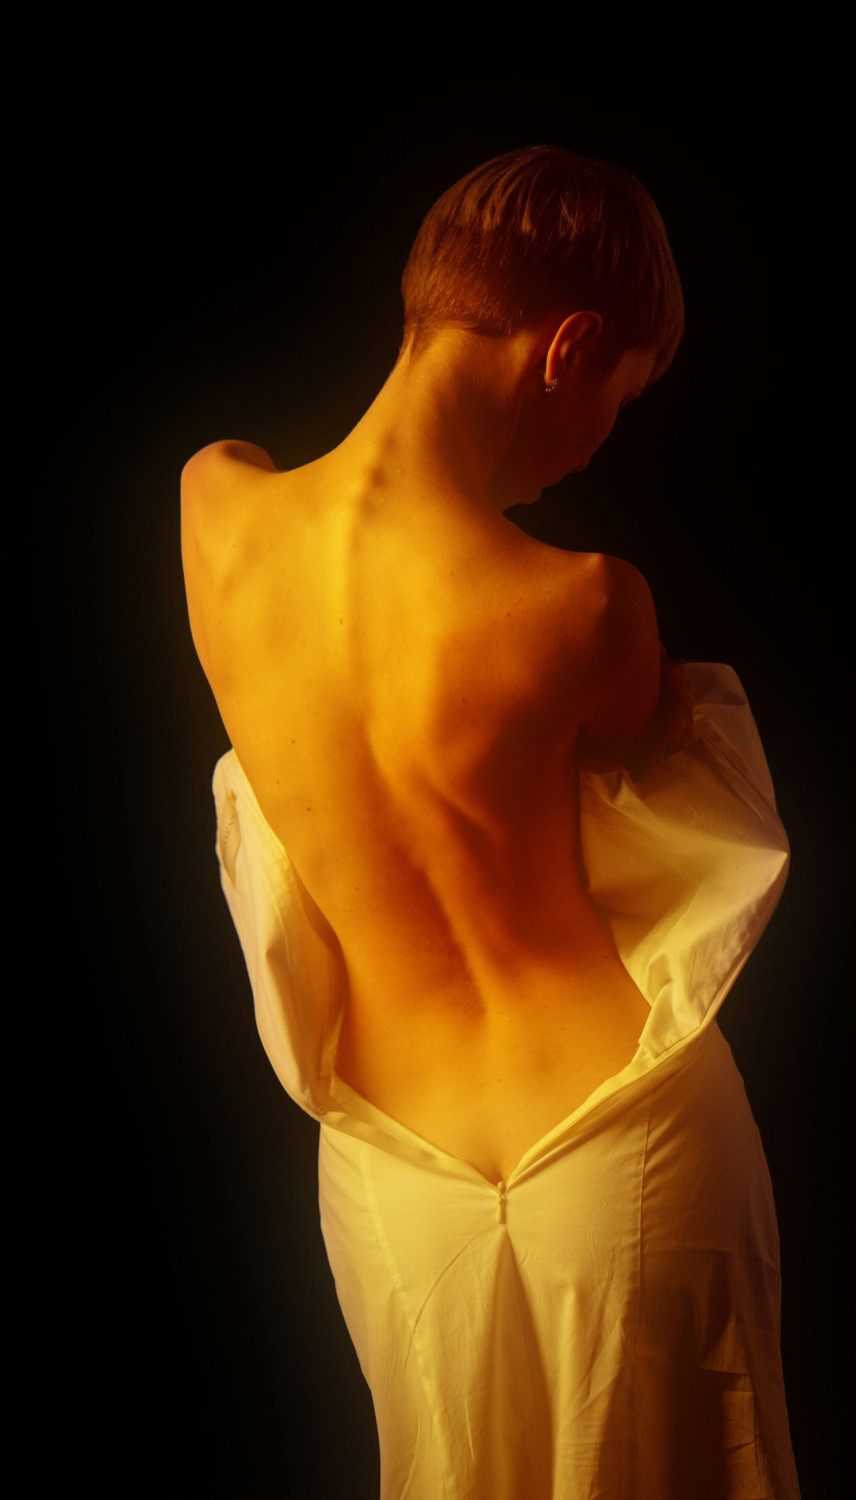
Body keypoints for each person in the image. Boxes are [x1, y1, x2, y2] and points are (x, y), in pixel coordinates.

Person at [182, 145, 801, 1499]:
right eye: (618, 400)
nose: (601, 439)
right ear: (566, 348)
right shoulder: (585, 607)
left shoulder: (214, 508)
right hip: (627, 1151)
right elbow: (654, 773)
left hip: (398, 1187)